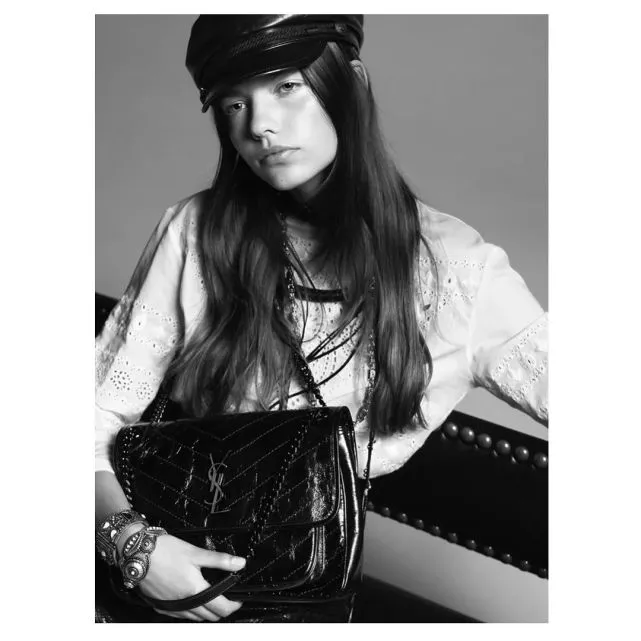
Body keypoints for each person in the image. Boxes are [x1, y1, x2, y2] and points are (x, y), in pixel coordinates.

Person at [95, 14, 548, 623]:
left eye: (287, 87)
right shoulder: (197, 233)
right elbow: (90, 416)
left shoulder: (457, 273)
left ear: (351, 82)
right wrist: (133, 546)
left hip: (305, 596)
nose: (259, 125)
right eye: (234, 104)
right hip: (153, 564)